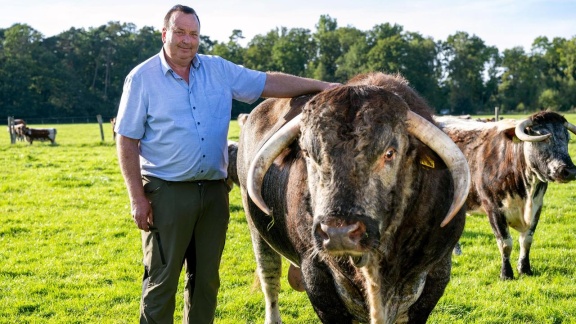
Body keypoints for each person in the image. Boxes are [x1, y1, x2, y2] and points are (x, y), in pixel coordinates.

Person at [114, 4, 339, 323]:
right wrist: (138, 198)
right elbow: (126, 139)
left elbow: (267, 83)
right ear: (164, 34)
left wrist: (324, 87)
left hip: (214, 193)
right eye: (179, 32)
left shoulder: (217, 70)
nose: (186, 40)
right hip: (166, 194)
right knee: (161, 282)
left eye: (193, 34)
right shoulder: (142, 79)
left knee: (206, 282)